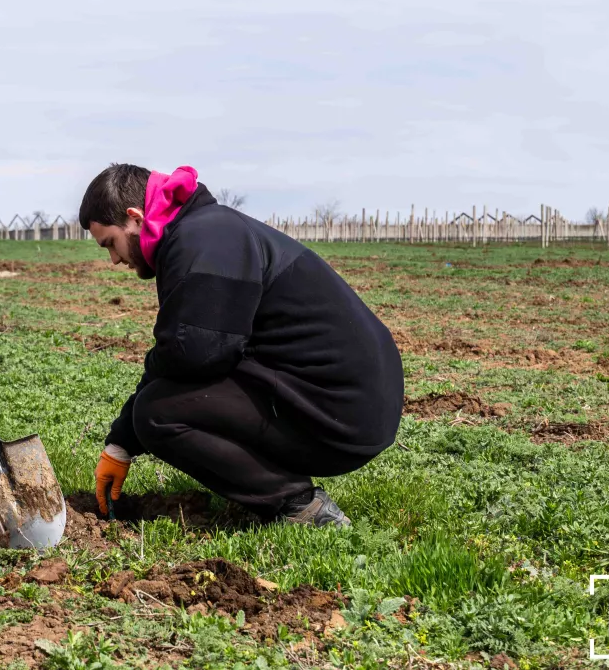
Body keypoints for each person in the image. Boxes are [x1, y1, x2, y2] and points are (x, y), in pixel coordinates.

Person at [79, 164, 404, 526]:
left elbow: (193, 355)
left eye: (110, 243)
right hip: (345, 400)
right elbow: (182, 353)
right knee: (164, 400)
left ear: (135, 218)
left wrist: (129, 432)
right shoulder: (204, 232)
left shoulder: (202, 239)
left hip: (342, 408)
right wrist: (121, 443)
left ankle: (300, 506)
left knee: (158, 413)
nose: (114, 259)